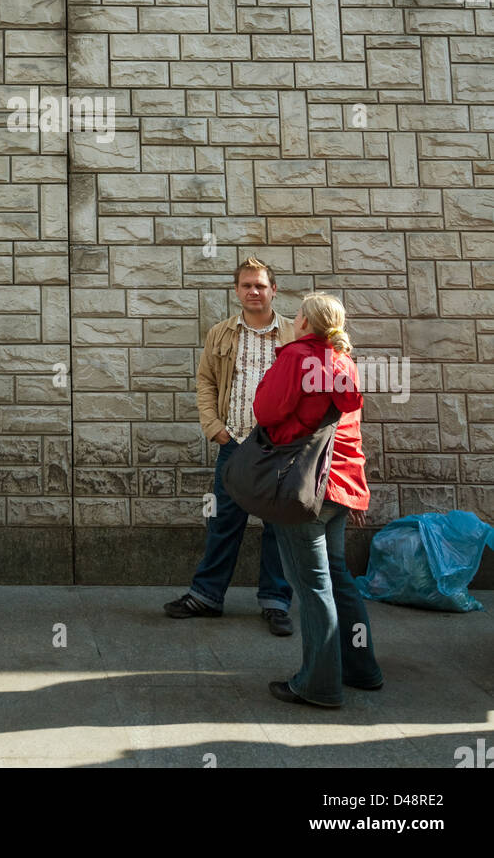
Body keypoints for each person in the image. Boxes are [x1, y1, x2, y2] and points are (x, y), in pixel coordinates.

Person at [252, 291, 383, 707]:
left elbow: (266, 411)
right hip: (340, 486)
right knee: (338, 578)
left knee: (312, 588)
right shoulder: (344, 362)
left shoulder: (298, 357)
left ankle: (319, 685)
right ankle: (361, 668)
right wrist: (355, 494)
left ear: (306, 323)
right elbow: (348, 432)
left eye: (297, 315)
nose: (292, 320)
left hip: (305, 489)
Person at [164, 257, 296, 635]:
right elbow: (205, 382)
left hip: (279, 448)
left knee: (278, 527)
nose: (253, 291)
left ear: (274, 290)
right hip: (234, 443)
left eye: (260, 285)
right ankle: (207, 596)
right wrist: (214, 427)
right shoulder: (221, 334)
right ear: (236, 290)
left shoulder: (293, 334)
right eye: (246, 285)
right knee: (223, 520)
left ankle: (276, 601)